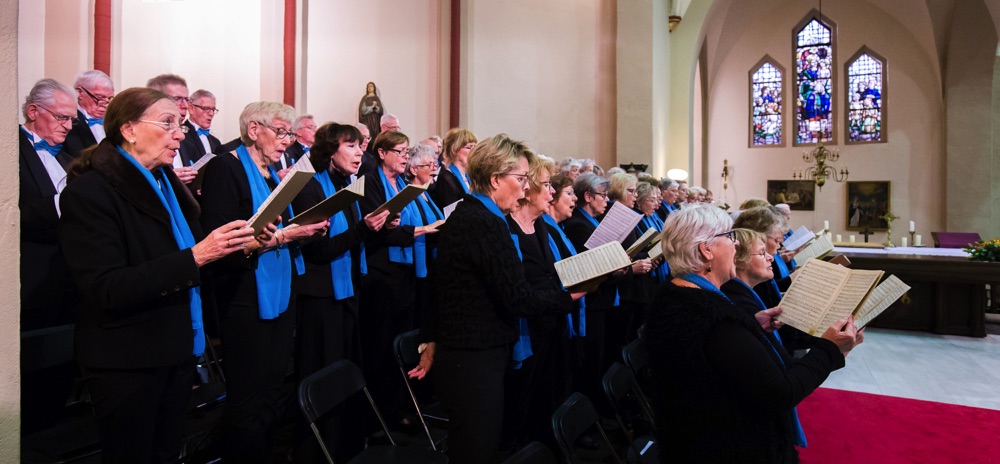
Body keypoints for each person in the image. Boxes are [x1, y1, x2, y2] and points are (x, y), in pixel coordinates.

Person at [58, 87, 259, 462]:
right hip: (128, 359)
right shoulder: (90, 192)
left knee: (167, 454)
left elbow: (197, 257)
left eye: (181, 124)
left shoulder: (167, 185)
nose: (181, 134)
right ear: (129, 129)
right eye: (168, 123)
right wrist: (197, 256)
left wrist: (247, 242)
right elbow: (106, 287)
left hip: (175, 348)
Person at [645, 205, 863, 463]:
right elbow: (781, 392)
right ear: (706, 250)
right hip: (726, 447)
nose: (735, 246)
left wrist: (750, 329)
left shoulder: (674, 295)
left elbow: (710, 355)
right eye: (729, 237)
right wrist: (830, 348)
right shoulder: (713, 318)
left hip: (691, 438)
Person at [422, 133, 586, 464]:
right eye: (522, 179)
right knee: (475, 450)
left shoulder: (477, 215)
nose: (527, 188)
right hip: (472, 357)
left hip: (473, 352)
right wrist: (571, 296)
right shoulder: (484, 222)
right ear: (496, 179)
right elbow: (516, 298)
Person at [199, 101, 329, 462]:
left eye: (290, 133)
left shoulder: (275, 174)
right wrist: (288, 236)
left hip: (279, 289)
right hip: (243, 295)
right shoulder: (226, 167)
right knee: (248, 394)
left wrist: (305, 228)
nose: (287, 141)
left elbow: (278, 229)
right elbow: (223, 238)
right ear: (254, 131)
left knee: (273, 387)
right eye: (281, 132)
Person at [290, 122, 390, 462]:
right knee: (323, 376)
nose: (360, 151)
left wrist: (377, 227)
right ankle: (319, 451)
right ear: (331, 150)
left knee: (346, 371)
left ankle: (346, 445)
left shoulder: (349, 184)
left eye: (361, 145)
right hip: (320, 298)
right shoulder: (311, 187)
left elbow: (354, 242)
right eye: (351, 146)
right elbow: (318, 252)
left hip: (347, 291)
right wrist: (364, 228)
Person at [357, 130, 439, 431]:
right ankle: (380, 416)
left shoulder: (400, 184)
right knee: (381, 346)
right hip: (380, 275)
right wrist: (422, 231)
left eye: (407, 152)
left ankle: (399, 406)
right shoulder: (372, 184)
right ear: (382, 153)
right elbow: (376, 230)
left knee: (400, 341)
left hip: (403, 274)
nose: (405, 156)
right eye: (400, 151)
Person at [19, 78, 81, 434]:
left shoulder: (70, 157)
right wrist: (63, 204)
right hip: (34, 273)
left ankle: (51, 427)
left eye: (72, 119)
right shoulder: (13, 149)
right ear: (33, 112)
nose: (68, 126)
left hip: (69, 273)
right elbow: (15, 212)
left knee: (64, 356)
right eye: (61, 117)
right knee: (34, 357)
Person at [500, 156, 574, 451]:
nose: (552, 192)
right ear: (527, 190)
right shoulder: (507, 228)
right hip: (523, 331)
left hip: (549, 324)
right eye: (546, 185)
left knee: (545, 396)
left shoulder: (539, 225)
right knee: (520, 402)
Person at [147, 74, 197, 184]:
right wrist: (167, 179)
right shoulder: (147, 137)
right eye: (177, 99)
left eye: (186, 99)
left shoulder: (183, 136)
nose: (185, 106)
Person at [64, 70, 114, 158]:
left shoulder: (113, 122)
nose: (105, 105)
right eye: (100, 98)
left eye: (109, 99)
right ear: (79, 92)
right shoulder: (67, 123)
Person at [430, 127, 477, 210]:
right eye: (469, 147)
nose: (474, 151)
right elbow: (452, 214)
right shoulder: (446, 178)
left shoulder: (469, 177)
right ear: (454, 150)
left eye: (475, 147)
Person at [181, 89, 221, 162]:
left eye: (213, 109)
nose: (211, 113)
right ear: (191, 109)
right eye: (206, 108)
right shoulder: (181, 136)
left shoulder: (216, 142)